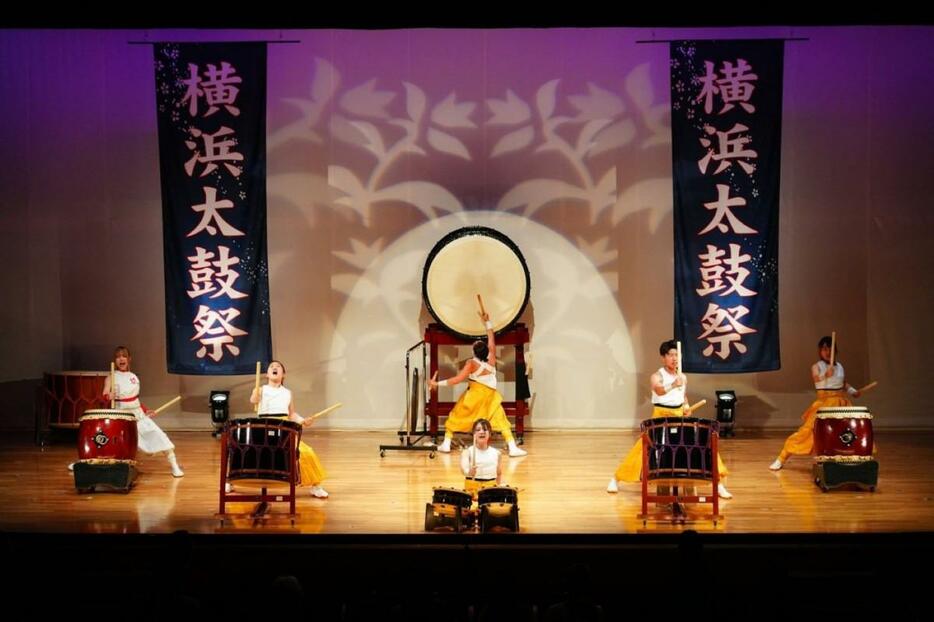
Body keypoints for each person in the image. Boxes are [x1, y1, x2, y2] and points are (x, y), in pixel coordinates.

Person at [607, 339, 732, 499]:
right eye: (671, 355)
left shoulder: (683, 377)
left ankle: (719, 484)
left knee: (700, 446)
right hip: (661, 416)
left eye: (677, 355)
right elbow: (659, 391)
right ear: (663, 357)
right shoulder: (657, 376)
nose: (674, 358)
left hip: (679, 416)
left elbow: (683, 395)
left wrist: (686, 406)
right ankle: (616, 479)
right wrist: (673, 384)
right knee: (643, 450)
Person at [69, 346, 184, 476]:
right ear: (115, 360)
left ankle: (174, 466)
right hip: (120, 416)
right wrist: (108, 396)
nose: (121, 359)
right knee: (105, 443)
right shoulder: (111, 377)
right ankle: (82, 463)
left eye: (124, 356)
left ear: (129, 359)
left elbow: (135, 399)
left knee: (159, 436)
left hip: (138, 415)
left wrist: (146, 410)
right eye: (118, 356)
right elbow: (104, 394)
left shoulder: (134, 377)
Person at [428, 311, 527, 457]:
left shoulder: (471, 363)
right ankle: (512, 448)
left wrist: (437, 383)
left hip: (474, 396)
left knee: (457, 416)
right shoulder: (492, 358)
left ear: (474, 351)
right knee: (500, 418)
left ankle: (446, 444)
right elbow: (491, 339)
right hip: (490, 396)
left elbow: (457, 379)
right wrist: (487, 322)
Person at [769, 336, 862, 470]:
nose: (827, 352)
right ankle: (781, 458)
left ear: (835, 350)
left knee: (844, 433)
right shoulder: (817, 366)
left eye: (830, 348)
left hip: (841, 404)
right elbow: (816, 379)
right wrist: (826, 375)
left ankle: (843, 462)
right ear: (820, 351)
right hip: (825, 403)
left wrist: (853, 391)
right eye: (824, 349)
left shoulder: (840, 366)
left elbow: (843, 382)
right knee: (807, 431)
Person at [247, 360, 329, 498]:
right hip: (263, 426)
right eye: (271, 367)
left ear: (283, 374)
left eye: (278, 367)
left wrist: (303, 421)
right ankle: (229, 480)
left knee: (305, 452)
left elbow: (291, 414)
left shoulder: (287, 393)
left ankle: (315, 486)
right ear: (267, 374)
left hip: (284, 426)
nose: (274, 368)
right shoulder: (260, 389)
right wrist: (255, 395)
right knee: (246, 450)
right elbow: (253, 401)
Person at [461, 418, 504, 498]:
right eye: (478, 430)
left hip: (490, 488)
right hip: (472, 488)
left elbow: (499, 473)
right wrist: (469, 472)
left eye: (485, 429)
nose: (481, 432)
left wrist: (499, 486)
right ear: (473, 434)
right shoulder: (467, 452)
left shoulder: (497, 453)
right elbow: (463, 469)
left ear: (490, 433)